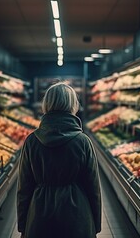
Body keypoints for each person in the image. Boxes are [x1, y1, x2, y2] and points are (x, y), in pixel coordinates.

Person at [17, 82, 102, 238]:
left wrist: (23, 225)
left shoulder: (32, 141)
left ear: (46, 104)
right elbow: (93, 187)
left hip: (39, 216)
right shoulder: (83, 141)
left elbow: (24, 187)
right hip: (77, 216)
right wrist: (95, 223)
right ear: (73, 105)